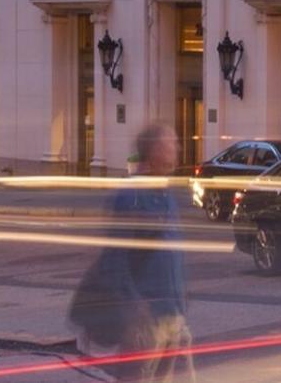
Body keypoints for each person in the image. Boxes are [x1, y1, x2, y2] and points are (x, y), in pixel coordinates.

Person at [69, 123, 193, 381]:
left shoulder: (166, 193)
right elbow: (115, 260)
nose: (178, 148)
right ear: (154, 151)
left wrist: (180, 306)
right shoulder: (132, 196)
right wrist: (135, 311)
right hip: (146, 320)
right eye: (171, 143)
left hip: (172, 317)